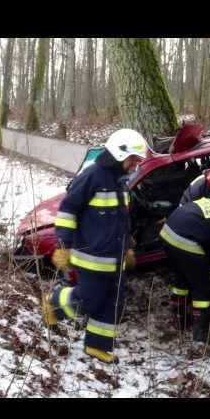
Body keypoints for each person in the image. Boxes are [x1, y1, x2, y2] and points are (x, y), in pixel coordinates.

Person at [43, 129, 148, 364]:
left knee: (113, 303)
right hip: (90, 257)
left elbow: (122, 222)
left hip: (115, 260)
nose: (135, 166)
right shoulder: (92, 177)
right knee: (89, 300)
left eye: (137, 162)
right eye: (133, 160)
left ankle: (97, 346)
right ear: (119, 155)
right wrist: (63, 246)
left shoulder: (121, 184)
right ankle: (53, 304)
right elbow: (68, 211)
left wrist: (128, 247)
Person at [159, 196, 210, 343]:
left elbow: (208, 239)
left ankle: (180, 318)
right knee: (204, 286)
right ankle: (201, 333)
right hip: (187, 241)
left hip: (167, 233)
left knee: (181, 278)